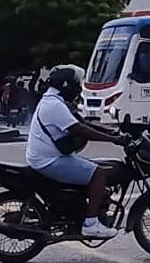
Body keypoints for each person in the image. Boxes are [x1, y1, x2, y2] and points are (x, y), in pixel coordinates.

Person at [27, 65, 129, 239]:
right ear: (66, 85)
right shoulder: (54, 105)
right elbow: (81, 129)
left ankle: (84, 211)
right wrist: (114, 140)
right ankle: (91, 224)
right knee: (99, 174)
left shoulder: (52, 101)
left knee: (92, 166)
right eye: (76, 84)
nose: (78, 88)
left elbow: (81, 122)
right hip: (49, 161)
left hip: (46, 158)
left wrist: (111, 132)